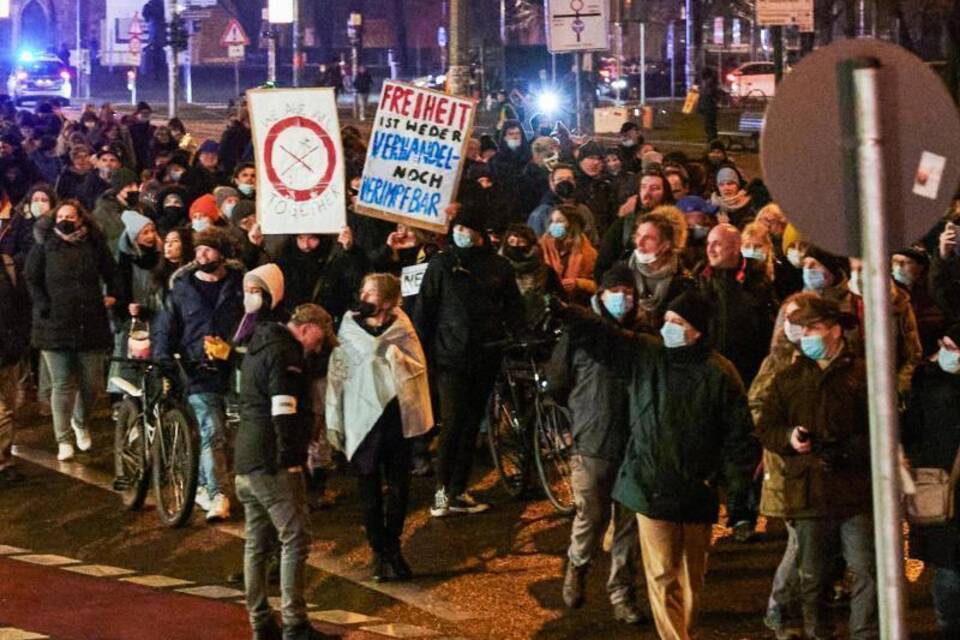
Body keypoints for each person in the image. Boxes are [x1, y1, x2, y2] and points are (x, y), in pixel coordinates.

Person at [559, 289, 757, 640]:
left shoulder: (720, 373)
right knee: (663, 575)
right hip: (649, 486)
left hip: (697, 490)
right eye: (666, 320)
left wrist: (739, 497)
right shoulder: (646, 355)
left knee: (692, 578)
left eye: (677, 323)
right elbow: (606, 340)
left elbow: (739, 438)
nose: (668, 328)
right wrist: (570, 313)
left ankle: (685, 631)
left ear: (697, 330)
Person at [757, 296, 878, 640]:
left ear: (837, 330)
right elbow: (767, 427)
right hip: (808, 491)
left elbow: (884, 427)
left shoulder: (863, 375)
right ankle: (819, 632)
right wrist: (789, 439)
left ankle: (865, 633)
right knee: (812, 576)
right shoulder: (789, 378)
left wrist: (850, 448)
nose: (808, 335)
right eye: (804, 329)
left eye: (816, 328)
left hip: (854, 491)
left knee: (866, 570)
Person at [413, 205, 525, 516]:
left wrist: (519, 334)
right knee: (452, 425)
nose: (462, 234)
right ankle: (440, 497)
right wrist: (423, 353)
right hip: (450, 358)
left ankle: (458, 491)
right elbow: (425, 310)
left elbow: (512, 306)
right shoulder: (442, 264)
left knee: (469, 426)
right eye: (458, 228)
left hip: (486, 354)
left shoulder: (498, 266)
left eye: (468, 229)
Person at [234, 303, 337, 640]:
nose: (318, 348)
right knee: (295, 537)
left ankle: (260, 621)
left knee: (257, 542)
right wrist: (291, 456)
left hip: (247, 457)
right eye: (320, 339)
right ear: (307, 327)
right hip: (271, 460)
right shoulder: (286, 353)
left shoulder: (259, 343)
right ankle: (295, 623)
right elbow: (283, 408)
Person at [548, 264, 643, 625]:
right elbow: (558, 381)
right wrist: (582, 411)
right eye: (616, 290)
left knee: (627, 526)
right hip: (593, 441)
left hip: (633, 444)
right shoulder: (580, 333)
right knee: (591, 515)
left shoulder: (643, 335)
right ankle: (578, 564)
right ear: (601, 294)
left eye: (629, 292)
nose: (624, 298)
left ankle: (622, 593)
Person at [326, 274, 433, 581]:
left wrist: (394, 357)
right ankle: (379, 549)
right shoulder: (348, 328)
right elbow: (339, 371)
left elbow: (417, 367)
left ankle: (393, 545)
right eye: (363, 290)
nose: (364, 296)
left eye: (370, 293)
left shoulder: (402, 328)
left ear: (387, 301)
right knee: (369, 489)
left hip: (395, 417)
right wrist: (335, 419)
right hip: (363, 419)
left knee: (399, 488)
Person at [153, 226, 245, 522]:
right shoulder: (182, 290)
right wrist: (163, 359)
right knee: (211, 430)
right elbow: (166, 327)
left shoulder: (240, 286)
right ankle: (218, 492)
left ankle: (213, 483)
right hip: (197, 370)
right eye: (198, 250)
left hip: (233, 369)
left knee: (234, 431)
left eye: (208, 249)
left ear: (222, 253)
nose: (201, 255)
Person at [748, 292, 819, 640]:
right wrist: (784, 434)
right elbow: (757, 409)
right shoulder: (777, 363)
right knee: (799, 540)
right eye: (791, 320)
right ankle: (781, 606)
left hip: (822, 467)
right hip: (788, 464)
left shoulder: (824, 359)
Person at [25, 200, 116, 461]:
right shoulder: (44, 246)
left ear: (81, 220)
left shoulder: (94, 245)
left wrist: (113, 296)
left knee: (90, 384)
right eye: (61, 215)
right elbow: (32, 278)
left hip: (91, 324)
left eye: (70, 216)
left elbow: (112, 272)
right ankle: (63, 438)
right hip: (54, 325)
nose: (65, 220)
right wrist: (44, 305)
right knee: (62, 384)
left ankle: (80, 421)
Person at [903, 323, 960, 637]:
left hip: (943, 485)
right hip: (941, 487)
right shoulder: (928, 382)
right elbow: (912, 429)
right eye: (947, 348)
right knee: (949, 573)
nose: (950, 355)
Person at [622, 210, 696, 333]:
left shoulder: (683, 283)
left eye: (648, 238)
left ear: (666, 245)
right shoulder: (623, 270)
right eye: (638, 235)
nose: (639, 243)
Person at [596, 167, 674, 280]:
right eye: (643, 187)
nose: (647, 193)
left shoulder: (674, 227)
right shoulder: (624, 224)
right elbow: (602, 264)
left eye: (655, 188)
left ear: (665, 194)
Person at [0, 232, 30, 485]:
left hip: (8, 353)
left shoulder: (8, 266)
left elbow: (23, 306)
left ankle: (5, 459)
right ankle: (3, 464)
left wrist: (21, 339)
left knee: (10, 409)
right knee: (1, 415)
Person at [891, 247, 945, 356]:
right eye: (895, 262)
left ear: (920, 268)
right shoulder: (886, 295)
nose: (899, 267)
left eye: (906, 262)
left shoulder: (930, 296)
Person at [539, 205, 597, 306]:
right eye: (552, 221)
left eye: (560, 221)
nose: (554, 225)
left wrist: (579, 283)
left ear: (572, 224)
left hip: (575, 305)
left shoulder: (588, 253)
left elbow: (599, 284)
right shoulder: (542, 246)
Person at [527, 164, 598, 244]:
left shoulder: (583, 209)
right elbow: (535, 242)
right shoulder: (541, 212)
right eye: (560, 179)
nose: (565, 182)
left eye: (569, 179)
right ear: (551, 183)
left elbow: (593, 239)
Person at [698, 68, 721, 143]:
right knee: (709, 125)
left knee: (710, 125)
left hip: (709, 107)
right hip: (708, 107)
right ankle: (711, 138)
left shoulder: (709, 83)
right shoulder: (706, 83)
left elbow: (708, 95)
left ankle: (712, 138)